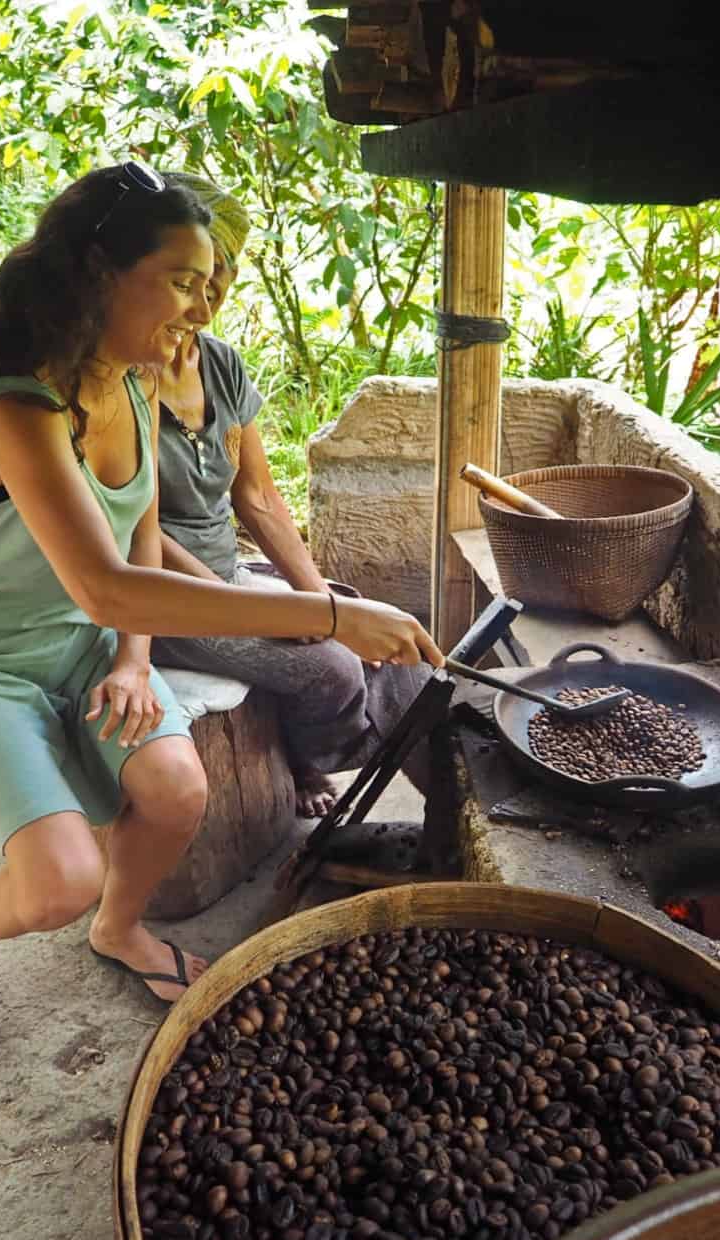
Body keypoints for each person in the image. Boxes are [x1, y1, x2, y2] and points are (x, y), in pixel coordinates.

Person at [0, 161, 441, 1079]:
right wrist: (328, 614)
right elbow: (108, 581)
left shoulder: (131, 382)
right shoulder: (17, 409)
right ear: (99, 274)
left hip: (91, 648)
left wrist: (134, 661)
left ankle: (119, 928)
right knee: (58, 878)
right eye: (184, 281)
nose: (202, 305)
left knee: (180, 790)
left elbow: (139, 536)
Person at [147, 173, 430, 818]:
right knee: (329, 668)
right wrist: (277, 616)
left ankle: (386, 752)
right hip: (164, 599)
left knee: (385, 632)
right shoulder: (124, 379)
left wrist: (316, 596)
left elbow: (260, 499)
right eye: (197, 275)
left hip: (223, 577)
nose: (213, 291)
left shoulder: (219, 363)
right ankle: (315, 760)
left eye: (227, 269)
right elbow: (139, 538)